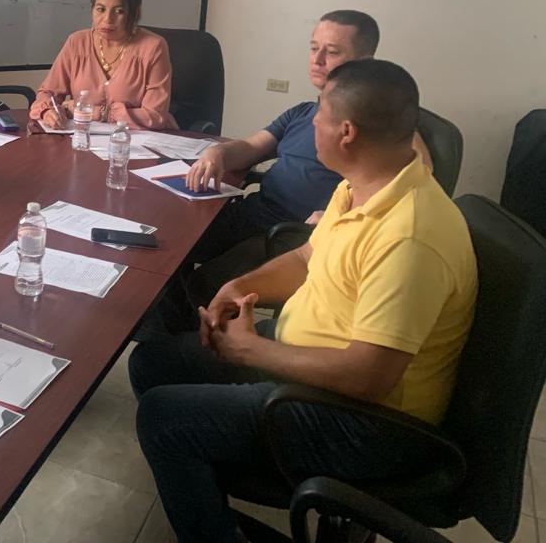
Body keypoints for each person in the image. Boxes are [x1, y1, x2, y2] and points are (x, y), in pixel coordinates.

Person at [129, 59, 476, 543]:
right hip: (310, 359)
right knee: (152, 362)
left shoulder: (410, 235)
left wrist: (253, 350)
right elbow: (307, 256)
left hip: (365, 422)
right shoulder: (360, 185)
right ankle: (210, 481)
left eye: (320, 115)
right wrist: (239, 287)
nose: (311, 125)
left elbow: (368, 377)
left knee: (163, 419)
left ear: (347, 132)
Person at [175, 10, 431, 311]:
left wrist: (339, 218)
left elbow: (416, 180)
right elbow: (252, 146)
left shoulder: (380, 129)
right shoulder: (302, 112)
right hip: (254, 212)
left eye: (331, 52)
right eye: (313, 48)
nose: (317, 60)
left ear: (364, 62)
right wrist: (217, 152)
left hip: (294, 235)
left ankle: (193, 333)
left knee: (204, 285)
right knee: (173, 247)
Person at [29, 0, 175, 130]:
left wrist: (98, 113)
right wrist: (48, 111)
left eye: (119, 11)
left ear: (134, 14)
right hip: (85, 139)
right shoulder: (77, 42)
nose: (107, 19)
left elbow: (155, 116)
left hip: (138, 140)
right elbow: (47, 93)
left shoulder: (154, 47)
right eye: (100, 9)